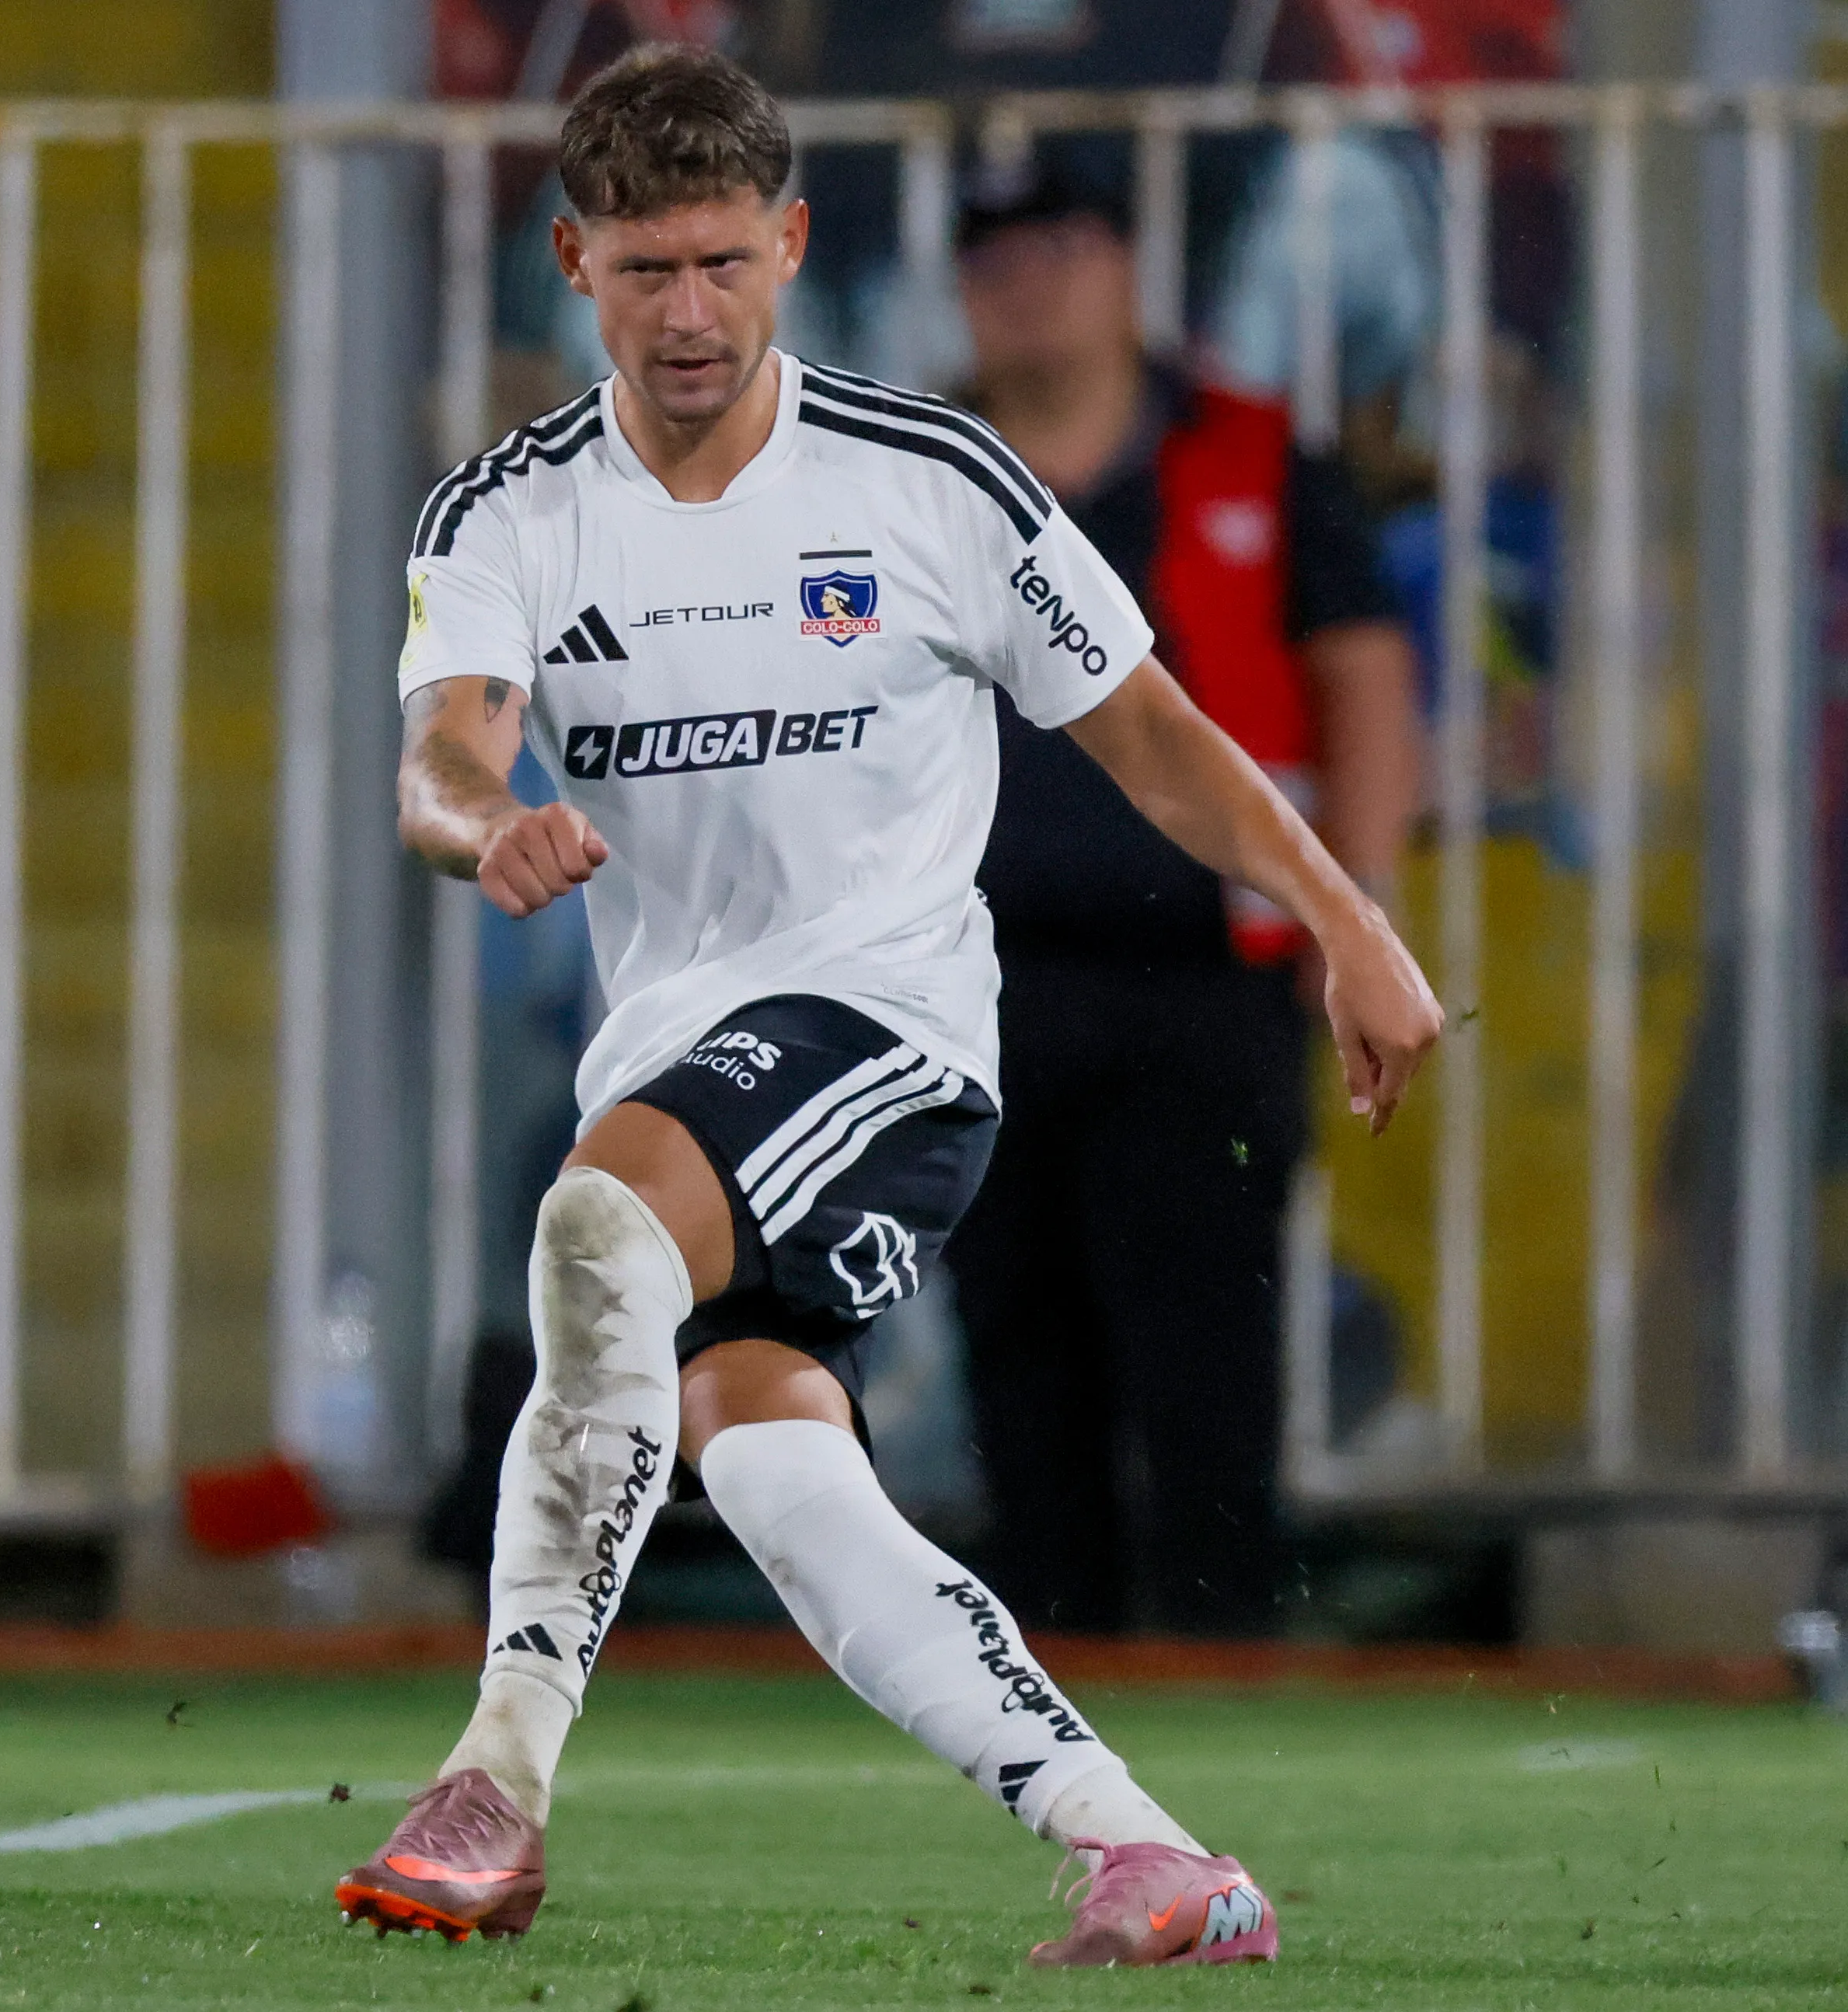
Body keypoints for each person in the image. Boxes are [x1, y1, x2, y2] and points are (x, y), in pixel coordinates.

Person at [330, 45, 1439, 1967]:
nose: (690, 314)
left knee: (598, 1221)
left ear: (791, 245)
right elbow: (441, 752)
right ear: (576, 265)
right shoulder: (503, 514)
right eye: (646, 270)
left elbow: (1156, 732)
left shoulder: (924, 479)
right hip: (680, 1045)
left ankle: (492, 1782)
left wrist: (1348, 916)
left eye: (724, 265)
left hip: (892, 1032)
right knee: (768, 1461)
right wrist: (478, 825)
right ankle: (1145, 1852)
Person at [938, 153, 1421, 1637]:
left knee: (1207, 1349)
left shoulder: (1257, 453)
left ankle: (1228, 1677)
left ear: (1131, 268)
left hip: (1206, 981)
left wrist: (1361, 919)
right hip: (971, 976)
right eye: (999, 256)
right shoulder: (923, 475)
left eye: (1062, 245)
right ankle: (1051, 1701)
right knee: (1014, 1353)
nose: (1031, 281)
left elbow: (1365, 683)